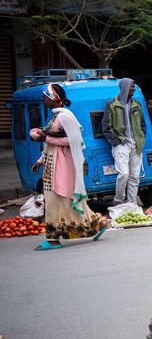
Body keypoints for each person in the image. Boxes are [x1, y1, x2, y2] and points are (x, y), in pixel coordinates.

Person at [29, 83, 108, 250]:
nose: (44, 99)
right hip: (53, 164)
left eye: (46, 97)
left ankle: (53, 239)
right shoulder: (56, 116)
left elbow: (76, 141)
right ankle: (98, 223)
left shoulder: (65, 116)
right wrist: (41, 159)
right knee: (62, 199)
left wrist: (45, 138)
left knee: (59, 199)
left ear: (54, 99)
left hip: (62, 165)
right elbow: (53, 140)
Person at [101, 77, 146, 206]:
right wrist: (116, 142)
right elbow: (106, 127)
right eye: (132, 86)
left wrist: (141, 138)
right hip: (121, 144)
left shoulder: (137, 104)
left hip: (136, 144)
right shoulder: (111, 105)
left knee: (135, 176)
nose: (134, 89)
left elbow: (142, 124)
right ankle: (119, 200)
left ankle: (132, 202)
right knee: (124, 174)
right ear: (125, 87)